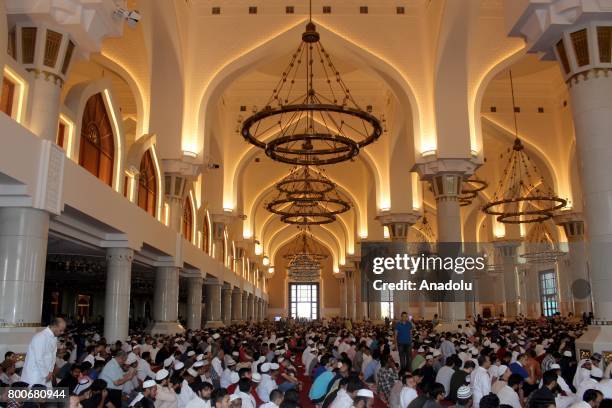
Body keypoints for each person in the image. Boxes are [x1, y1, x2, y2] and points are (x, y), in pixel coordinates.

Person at [21, 317, 66, 387]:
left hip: (46, 375)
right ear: (54, 326)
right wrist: (46, 374)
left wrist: (50, 372)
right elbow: (39, 358)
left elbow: (52, 357)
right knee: (33, 396)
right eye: (61, 330)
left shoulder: (53, 338)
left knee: (47, 397)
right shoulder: (40, 337)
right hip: (35, 375)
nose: (62, 333)